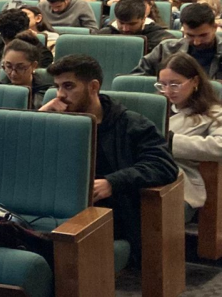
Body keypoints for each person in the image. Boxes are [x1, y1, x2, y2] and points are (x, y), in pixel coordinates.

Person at [41, 55, 178, 261]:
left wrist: (113, 182)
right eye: (58, 87)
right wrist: (40, 120)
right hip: (57, 206)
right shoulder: (57, 121)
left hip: (108, 212)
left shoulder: (131, 123)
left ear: (93, 87)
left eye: (68, 86)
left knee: (52, 243)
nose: (60, 95)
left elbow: (163, 165)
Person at [158, 53, 222, 220]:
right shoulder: (156, 108)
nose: (167, 91)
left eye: (175, 84)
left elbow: (220, 147)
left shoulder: (212, 112)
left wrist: (172, 142)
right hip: (147, 175)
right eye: (162, 85)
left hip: (181, 184)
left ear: (195, 81)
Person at [134, 3, 222, 79]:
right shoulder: (166, 49)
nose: (197, 42)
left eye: (203, 35)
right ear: (183, 29)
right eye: (190, 35)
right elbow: (137, 79)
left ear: (215, 28)